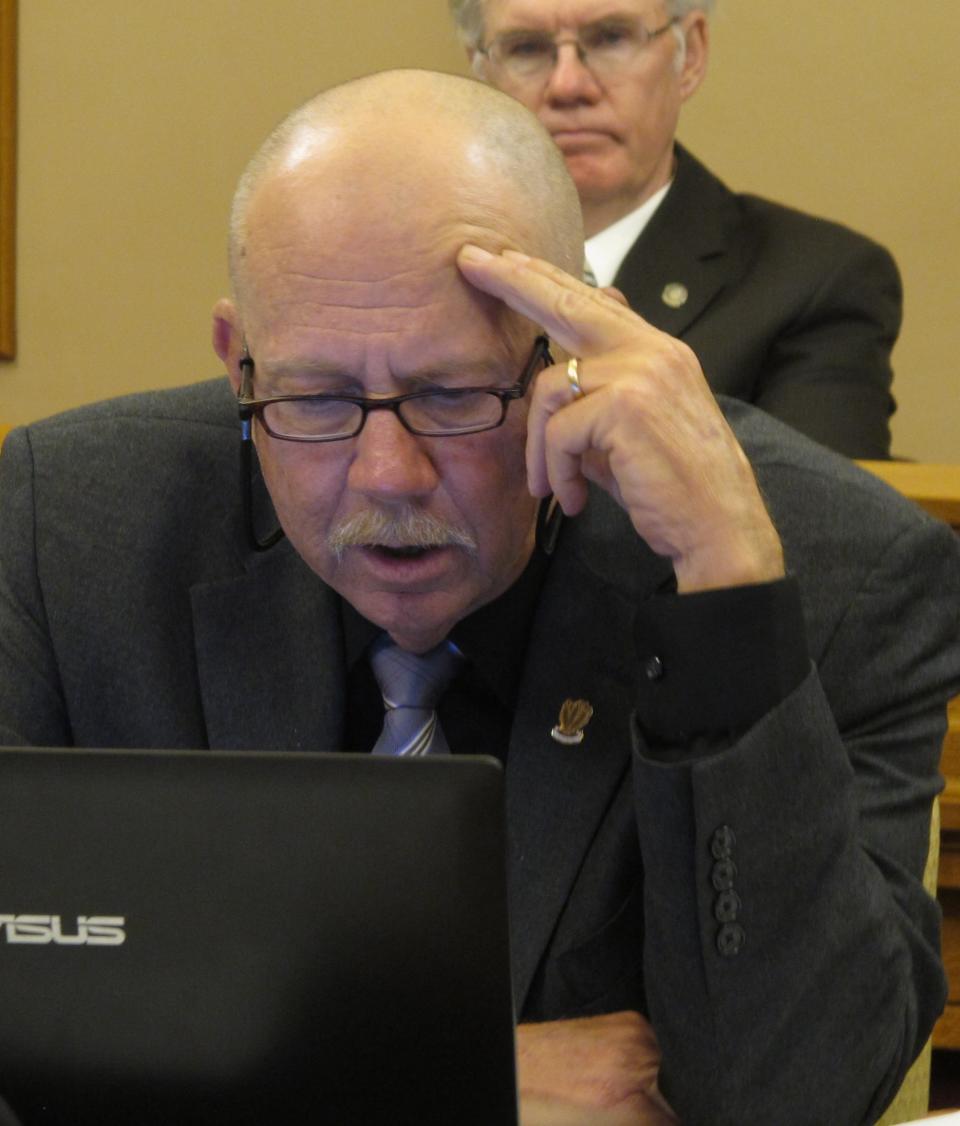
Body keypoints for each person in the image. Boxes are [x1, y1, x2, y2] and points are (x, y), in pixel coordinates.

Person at [0, 69, 958, 1126]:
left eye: (454, 395)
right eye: (314, 398)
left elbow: (797, 1096)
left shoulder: (832, 573)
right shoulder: (66, 529)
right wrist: (462, 1083)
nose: (386, 475)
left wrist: (723, 590)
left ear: (582, 354)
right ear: (239, 365)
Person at [450, 0, 902, 459]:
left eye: (611, 38)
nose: (568, 85)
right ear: (481, 72)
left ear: (690, 55)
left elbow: (819, 521)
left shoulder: (815, 280)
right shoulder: (423, 274)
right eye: (526, 48)